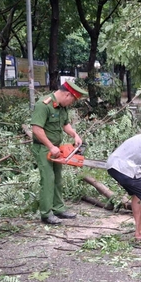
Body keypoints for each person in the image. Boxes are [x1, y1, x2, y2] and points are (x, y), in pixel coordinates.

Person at [31, 80, 87, 225]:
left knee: (57, 179)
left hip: (57, 148)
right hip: (44, 148)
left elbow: (65, 124)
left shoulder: (61, 106)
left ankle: (58, 208)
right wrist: (50, 146)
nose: (71, 104)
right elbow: (37, 129)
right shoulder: (43, 105)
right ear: (67, 95)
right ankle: (46, 213)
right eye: (72, 100)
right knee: (48, 179)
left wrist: (75, 135)